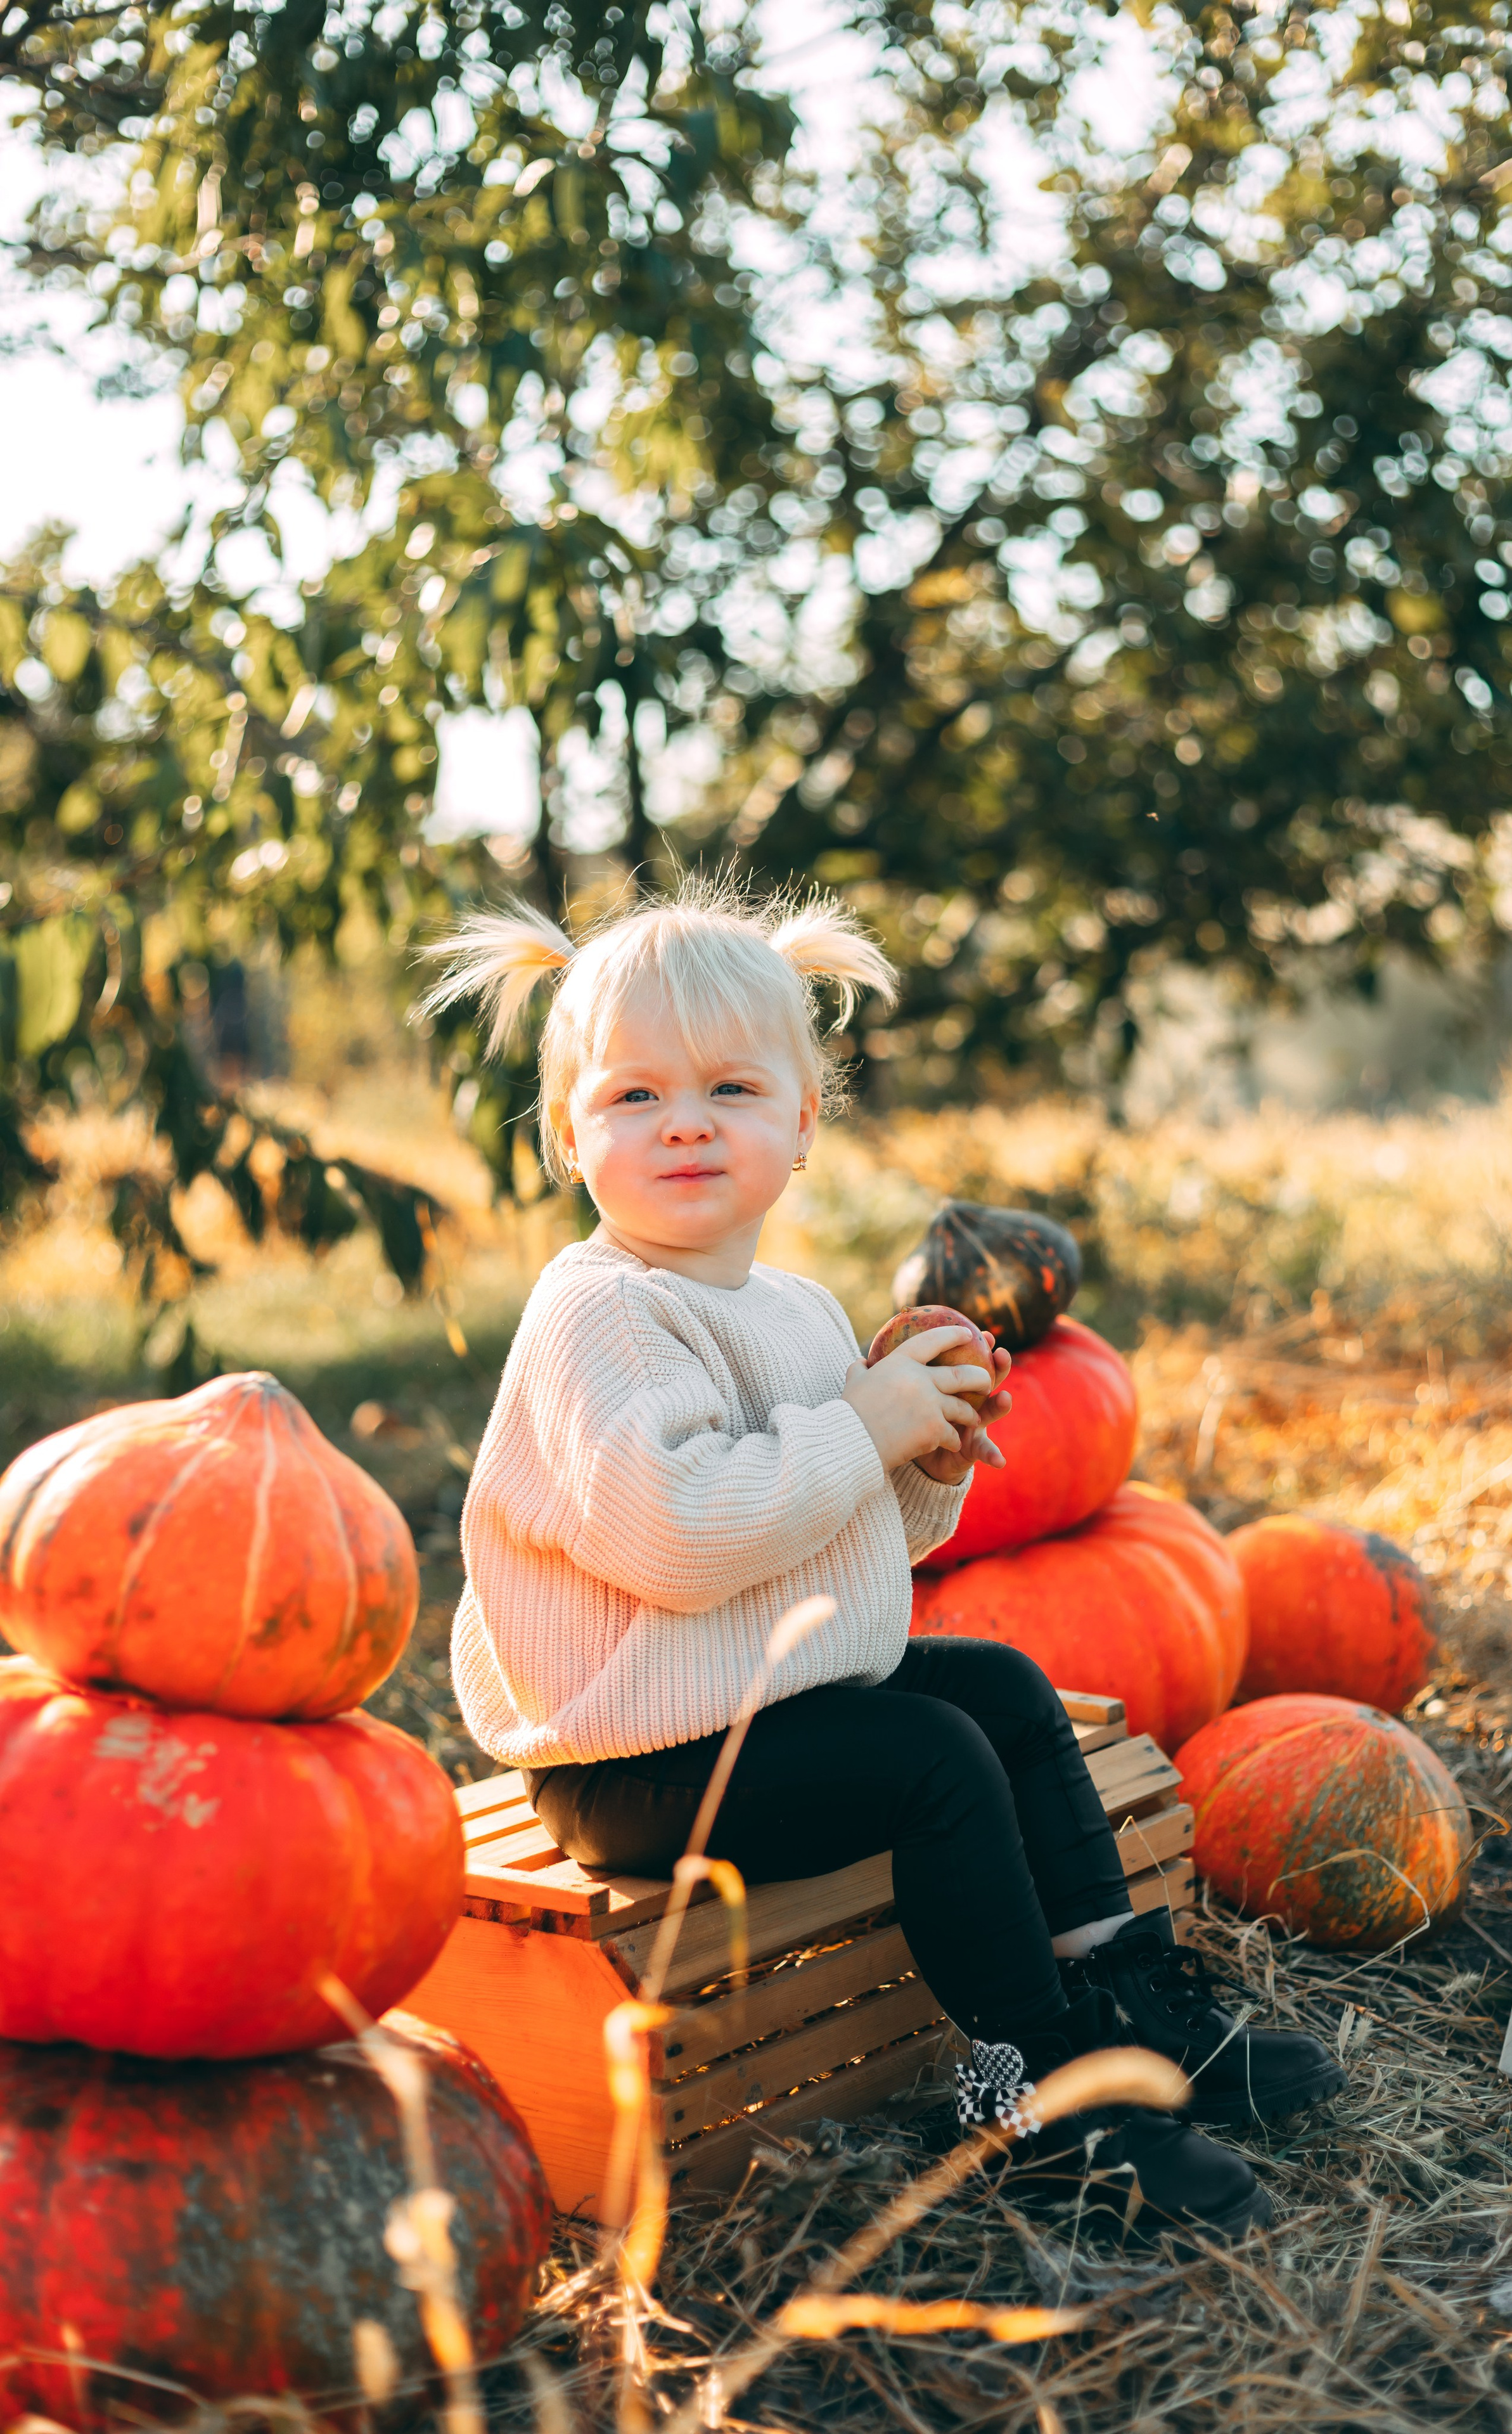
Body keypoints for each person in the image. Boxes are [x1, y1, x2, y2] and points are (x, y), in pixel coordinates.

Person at [421, 879, 1342, 2244]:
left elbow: (836, 1535)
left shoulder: (787, 1306)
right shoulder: (598, 1316)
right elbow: (679, 1540)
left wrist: (918, 1459)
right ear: (568, 1135)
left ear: (799, 1123)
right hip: (627, 1751)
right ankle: (1033, 2092)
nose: (683, 1121)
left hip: (745, 1695)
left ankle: (1128, 1994)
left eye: (729, 1087)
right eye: (631, 1098)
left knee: (1002, 1694)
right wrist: (859, 1428)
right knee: (931, 1761)